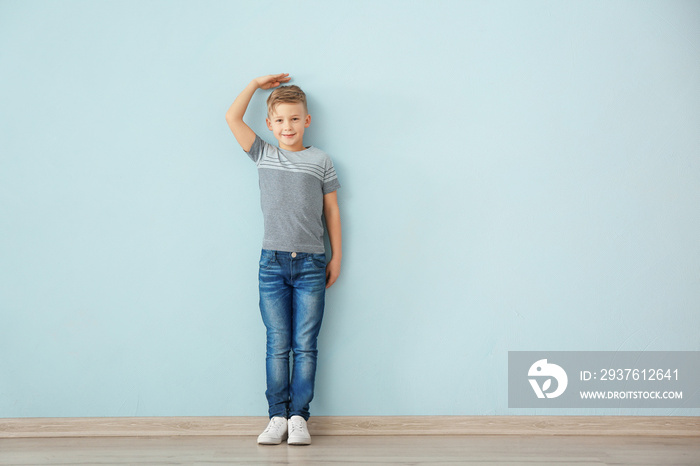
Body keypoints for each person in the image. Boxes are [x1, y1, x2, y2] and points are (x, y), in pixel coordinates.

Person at [225, 73, 342, 445]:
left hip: (311, 264)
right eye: (279, 120)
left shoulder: (321, 161)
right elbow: (231, 118)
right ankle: (277, 415)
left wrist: (336, 257)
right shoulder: (263, 153)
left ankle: (298, 418)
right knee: (277, 342)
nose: (287, 126)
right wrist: (255, 84)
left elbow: (333, 212)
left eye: (294, 118)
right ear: (269, 124)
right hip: (272, 264)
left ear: (307, 121)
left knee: (305, 343)